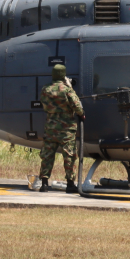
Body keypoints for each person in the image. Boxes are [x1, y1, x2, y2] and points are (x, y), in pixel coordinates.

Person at [38, 63, 84, 193]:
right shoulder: (67, 90)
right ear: (63, 75)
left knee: (47, 155)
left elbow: (44, 104)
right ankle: (70, 184)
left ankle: (44, 183)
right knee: (69, 156)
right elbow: (78, 107)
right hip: (66, 129)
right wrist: (70, 88)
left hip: (50, 127)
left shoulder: (45, 89)